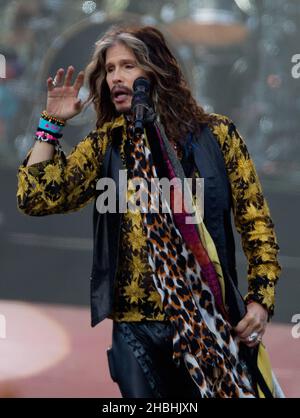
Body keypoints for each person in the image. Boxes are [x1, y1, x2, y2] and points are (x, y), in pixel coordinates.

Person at [16, 25, 282, 398]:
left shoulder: (216, 136)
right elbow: (35, 198)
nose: (116, 78)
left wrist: (260, 301)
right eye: (109, 69)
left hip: (206, 319)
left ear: (158, 71)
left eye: (128, 66)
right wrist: (51, 123)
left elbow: (257, 225)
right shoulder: (108, 143)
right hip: (134, 328)